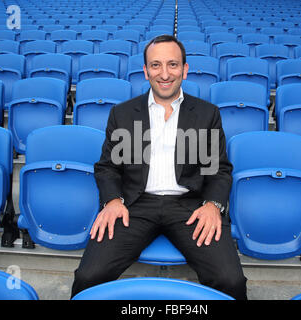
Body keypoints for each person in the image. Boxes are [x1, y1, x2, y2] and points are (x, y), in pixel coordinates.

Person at [71, 35, 247, 300]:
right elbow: (107, 167)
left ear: (185, 70)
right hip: (134, 205)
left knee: (230, 280)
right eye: (156, 65)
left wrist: (213, 205)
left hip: (190, 206)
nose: (164, 74)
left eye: (173, 65)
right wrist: (112, 200)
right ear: (145, 71)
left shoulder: (206, 113)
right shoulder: (123, 114)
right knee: (88, 277)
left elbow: (219, 170)